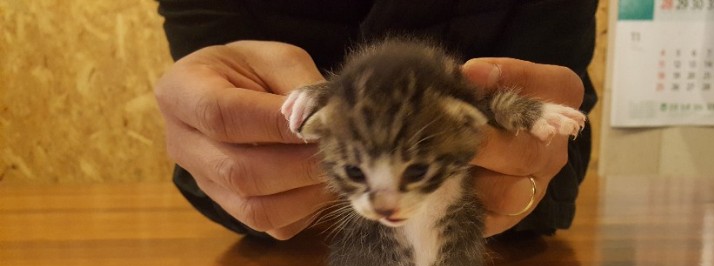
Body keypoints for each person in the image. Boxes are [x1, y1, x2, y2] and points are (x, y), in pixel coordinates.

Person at [153, 1, 598, 240]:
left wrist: (534, 121)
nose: (385, 206)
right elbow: (209, 61)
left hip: (504, 249)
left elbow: (501, 105)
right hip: (285, 256)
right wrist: (218, 123)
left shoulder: (453, 103)